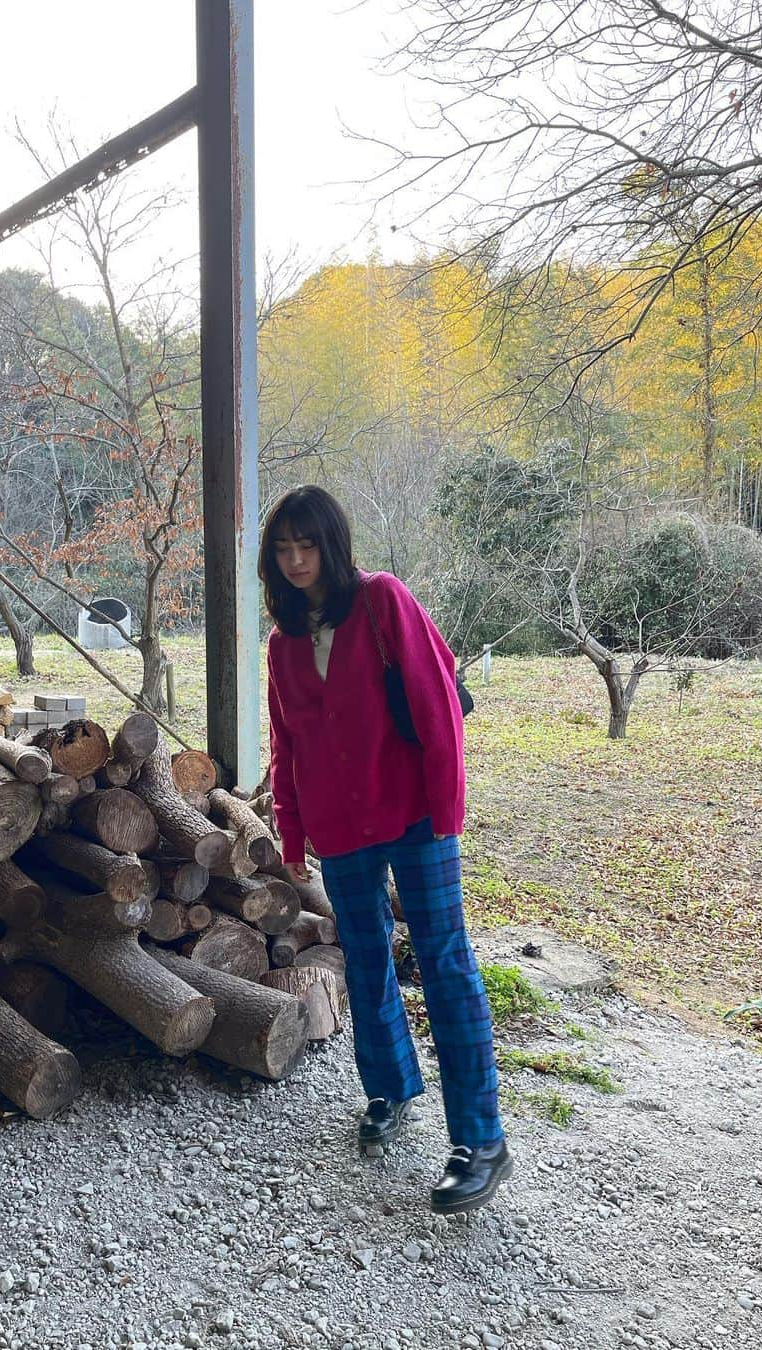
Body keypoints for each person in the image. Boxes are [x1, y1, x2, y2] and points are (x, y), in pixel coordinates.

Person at [259, 483, 511, 1214]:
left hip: (413, 815)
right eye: (284, 548)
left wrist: (447, 808)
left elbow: (437, 707)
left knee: (445, 961)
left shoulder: (382, 601)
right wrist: (293, 830)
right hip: (340, 828)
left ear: (332, 545)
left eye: (308, 545)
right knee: (365, 960)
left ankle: (481, 1138)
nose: (298, 559)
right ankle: (390, 1088)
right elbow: (288, 741)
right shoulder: (283, 643)